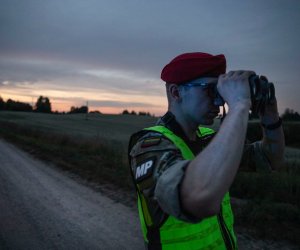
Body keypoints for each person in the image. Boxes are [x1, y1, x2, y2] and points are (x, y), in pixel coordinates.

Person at [128, 52, 285, 249]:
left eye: (220, 93)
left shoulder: (208, 138)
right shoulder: (149, 145)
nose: (219, 102)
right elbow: (198, 197)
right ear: (176, 93)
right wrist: (238, 105)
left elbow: (269, 159)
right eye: (210, 91)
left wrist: (270, 117)